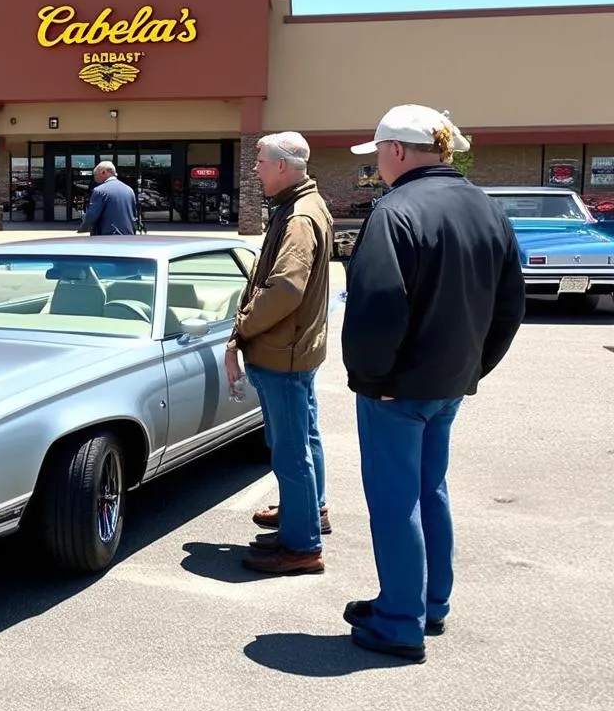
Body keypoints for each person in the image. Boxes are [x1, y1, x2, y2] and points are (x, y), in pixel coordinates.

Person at [341, 104, 526, 663]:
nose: (376, 163)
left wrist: (373, 378)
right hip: (448, 383)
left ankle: (401, 621)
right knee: (430, 490)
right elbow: (510, 306)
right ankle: (428, 601)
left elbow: (376, 306)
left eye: (377, 153)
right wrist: (474, 367)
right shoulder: (485, 207)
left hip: (397, 387)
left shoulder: (395, 212)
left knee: (396, 500)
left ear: (396, 150)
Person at [225, 132, 333, 577]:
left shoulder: (299, 217)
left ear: (283, 166)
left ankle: (302, 545)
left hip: (282, 353)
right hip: (296, 349)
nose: (255, 170)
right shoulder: (302, 205)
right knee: (304, 440)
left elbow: (286, 287)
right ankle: (309, 513)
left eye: (261, 162)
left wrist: (241, 330)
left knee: (290, 451)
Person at [77, 161, 140, 235]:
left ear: (104, 172)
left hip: (106, 236)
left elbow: (92, 216)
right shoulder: (129, 190)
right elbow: (133, 214)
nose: (94, 178)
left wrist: (83, 228)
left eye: (96, 174)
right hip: (127, 235)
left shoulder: (99, 191)